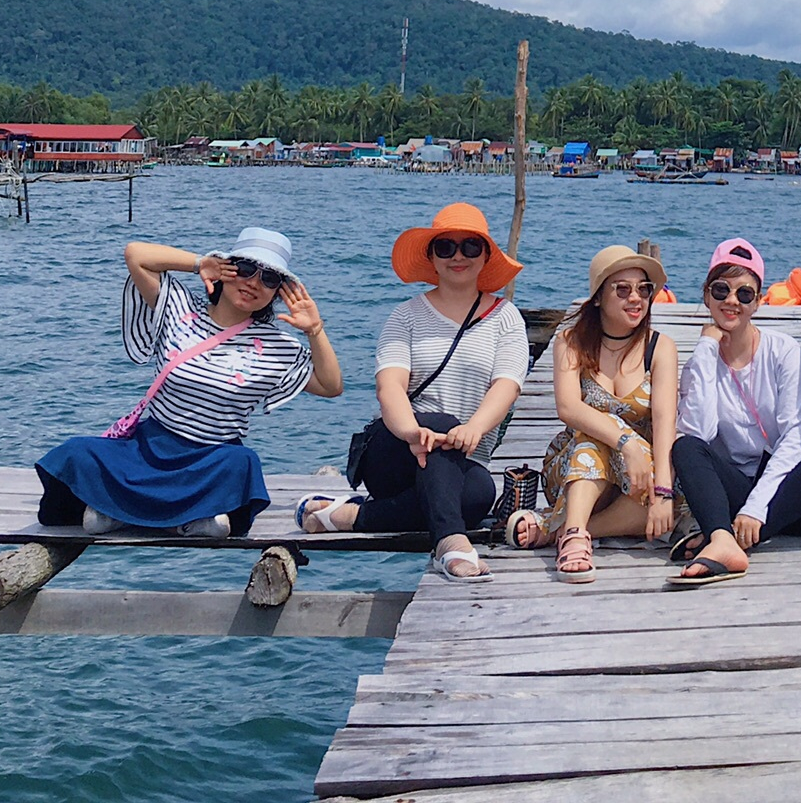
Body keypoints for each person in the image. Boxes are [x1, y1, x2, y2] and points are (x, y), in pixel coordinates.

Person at [35, 227, 342, 537]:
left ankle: (119, 512)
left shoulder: (276, 346)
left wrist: (314, 330)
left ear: (277, 292)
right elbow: (136, 255)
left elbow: (331, 386)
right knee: (77, 452)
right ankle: (176, 519)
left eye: (269, 279)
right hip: (148, 449)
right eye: (245, 268)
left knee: (243, 464)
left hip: (211, 458)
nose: (253, 282)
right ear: (226, 269)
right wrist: (200, 263)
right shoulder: (179, 307)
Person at [298, 201, 528, 582]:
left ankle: (351, 516)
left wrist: (474, 428)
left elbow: (507, 385)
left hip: (463, 458)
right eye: (446, 247)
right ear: (432, 257)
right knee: (440, 425)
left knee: (478, 496)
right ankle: (450, 545)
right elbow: (389, 387)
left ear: (486, 256)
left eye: (470, 246)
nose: (458, 256)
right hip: (398, 452)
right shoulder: (405, 316)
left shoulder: (506, 318)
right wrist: (412, 433)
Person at [668, 237, 801, 587]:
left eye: (744, 294)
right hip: (736, 492)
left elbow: (794, 438)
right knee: (685, 446)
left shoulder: (783, 351)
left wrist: (756, 508)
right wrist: (707, 348)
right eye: (721, 290)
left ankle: (724, 539)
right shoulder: (700, 364)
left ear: (757, 302)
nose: (731, 301)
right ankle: (725, 539)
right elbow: (699, 433)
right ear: (706, 295)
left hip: (791, 494)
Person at [506, 244, 680, 581]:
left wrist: (663, 491)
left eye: (644, 290)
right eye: (622, 289)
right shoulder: (571, 341)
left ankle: (557, 528)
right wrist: (626, 443)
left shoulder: (660, 347)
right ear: (598, 297)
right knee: (595, 436)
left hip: (636, 478)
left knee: (671, 507)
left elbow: (664, 421)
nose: (636, 298)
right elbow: (569, 408)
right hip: (576, 467)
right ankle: (573, 538)